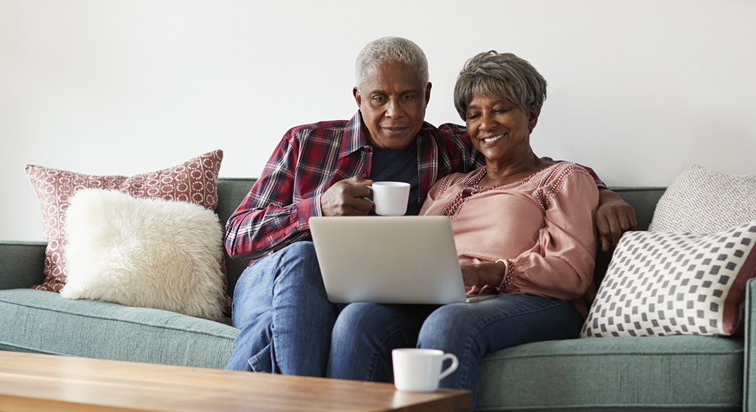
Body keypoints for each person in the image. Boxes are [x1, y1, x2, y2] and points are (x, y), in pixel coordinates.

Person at [224, 37, 634, 377]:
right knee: (303, 257)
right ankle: (303, 402)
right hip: (275, 277)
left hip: (412, 294)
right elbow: (237, 234)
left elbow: (539, 172)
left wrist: (607, 194)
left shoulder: (449, 151)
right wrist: (315, 209)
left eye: (407, 97)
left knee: (353, 318)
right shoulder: (308, 142)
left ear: (427, 96)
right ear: (358, 97)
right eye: (379, 98)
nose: (394, 112)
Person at [325, 50, 597, 409]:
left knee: (447, 324)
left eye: (499, 109)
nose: (486, 124)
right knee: (359, 318)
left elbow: (572, 272)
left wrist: (483, 271)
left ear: (531, 114)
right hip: (446, 298)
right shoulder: (448, 184)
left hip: (534, 302)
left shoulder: (561, 179)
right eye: (474, 114)